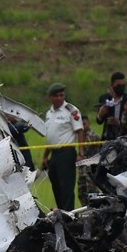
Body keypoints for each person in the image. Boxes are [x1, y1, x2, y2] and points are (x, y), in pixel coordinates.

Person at [42, 82, 85, 211]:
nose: (60, 98)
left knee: (66, 186)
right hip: (54, 154)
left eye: (62, 95)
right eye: (56, 96)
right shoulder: (49, 113)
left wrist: (80, 152)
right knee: (56, 184)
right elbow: (50, 136)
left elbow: (80, 131)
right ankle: (61, 212)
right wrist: (45, 156)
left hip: (66, 152)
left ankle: (69, 214)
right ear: (51, 97)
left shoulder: (71, 111)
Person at [96, 72, 127, 142]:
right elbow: (99, 121)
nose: (121, 88)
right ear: (112, 85)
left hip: (125, 139)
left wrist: (118, 123)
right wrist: (100, 115)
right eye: (118, 85)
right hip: (108, 139)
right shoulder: (104, 98)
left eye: (123, 85)